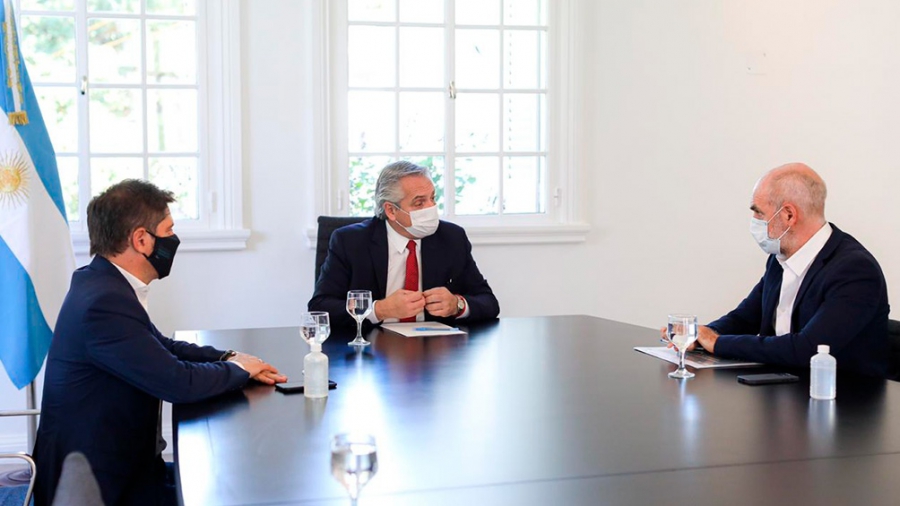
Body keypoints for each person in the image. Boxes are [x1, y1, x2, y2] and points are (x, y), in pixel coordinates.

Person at [33, 180, 287, 506]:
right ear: (141, 240)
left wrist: (229, 356)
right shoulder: (103, 302)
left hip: (124, 467)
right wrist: (239, 370)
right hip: (93, 487)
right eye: (168, 231)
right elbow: (177, 382)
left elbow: (161, 345)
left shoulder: (101, 282)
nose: (173, 240)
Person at [685, 163, 890, 377]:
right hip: (783, 386)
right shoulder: (780, 257)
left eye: (759, 213)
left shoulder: (855, 271)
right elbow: (746, 317)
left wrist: (717, 343)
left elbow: (807, 349)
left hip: (843, 394)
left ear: (789, 215)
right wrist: (700, 335)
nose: (754, 221)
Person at [309, 161, 500, 328]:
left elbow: (489, 302)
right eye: (419, 203)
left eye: (432, 198)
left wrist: (457, 305)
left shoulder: (451, 238)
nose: (431, 208)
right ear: (391, 210)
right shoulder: (350, 241)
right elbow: (320, 306)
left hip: (434, 347)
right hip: (371, 346)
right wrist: (380, 309)